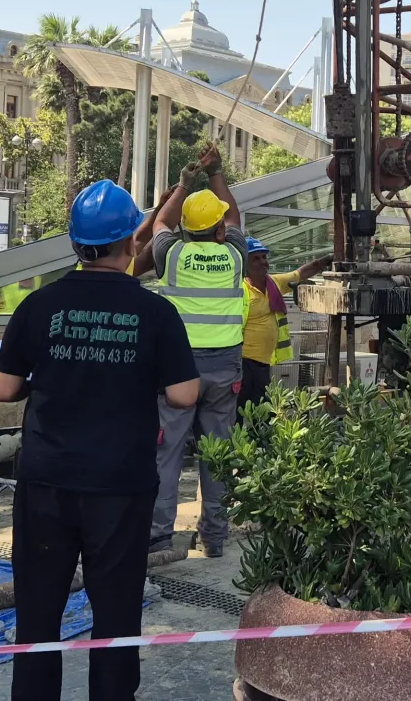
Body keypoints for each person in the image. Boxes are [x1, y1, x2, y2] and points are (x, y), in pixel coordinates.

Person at [0, 179, 200, 701]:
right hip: (120, 485)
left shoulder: (40, 305)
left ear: (76, 243)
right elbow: (184, 394)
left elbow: (3, 389)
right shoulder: (155, 313)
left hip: (47, 482)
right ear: (131, 241)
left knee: (38, 613)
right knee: (116, 614)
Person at [148, 145, 248, 557]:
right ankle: (215, 539)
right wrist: (216, 172)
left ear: (187, 230)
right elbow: (236, 217)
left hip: (178, 370)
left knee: (166, 452)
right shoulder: (235, 256)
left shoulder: (171, 255)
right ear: (219, 230)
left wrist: (184, 185)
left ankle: (158, 537)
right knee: (217, 455)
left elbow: (160, 222)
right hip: (224, 369)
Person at [239, 239, 329, 412]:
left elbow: (300, 273)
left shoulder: (274, 283)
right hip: (244, 361)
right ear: (244, 264)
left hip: (263, 362)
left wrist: (326, 260)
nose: (263, 262)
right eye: (256, 258)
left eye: (264, 257)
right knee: (242, 409)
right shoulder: (240, 289)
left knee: (262, 410)